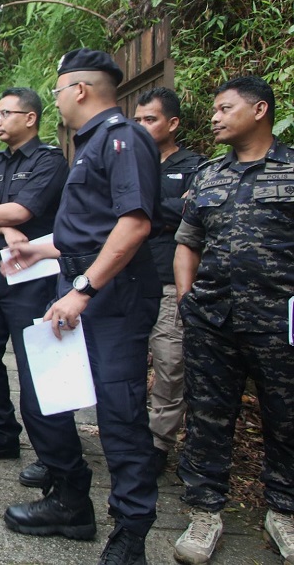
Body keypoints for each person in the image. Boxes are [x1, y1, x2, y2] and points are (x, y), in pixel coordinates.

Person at [0, 49, 162, 564]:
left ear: (80, 90)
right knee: (45, 396)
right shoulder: (89, 144)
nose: (57, 100)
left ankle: (130, 534)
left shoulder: (124, 138)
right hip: (79, 288)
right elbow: (88, 232)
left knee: (119, 417)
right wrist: (38, 248)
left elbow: (133, 225)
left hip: (112, 302)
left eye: (58, 90)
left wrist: (83, 290)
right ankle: (70, 501)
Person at [171, 76, 294, 565]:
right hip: (212, 322)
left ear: (259, 110)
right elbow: (187, 242)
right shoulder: (209, 175)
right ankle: (204, 513)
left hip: (277, 325)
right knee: (207, 418)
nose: (216, 117)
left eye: (225, 108)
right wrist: (187, 300)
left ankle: (283, 511)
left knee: (286, 418)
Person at [0, 87, 68, 491]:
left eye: (6, 113)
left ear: (30, 118)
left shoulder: (49, 162)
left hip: (32, 274)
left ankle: (50, 453)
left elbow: (23, 211)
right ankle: (1, 434)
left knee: (34, 363)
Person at [131, 87, 203, 474]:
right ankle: (130, 433)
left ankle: (159, 442)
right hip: (126, 277)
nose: (142, 126)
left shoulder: (195, 166)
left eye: (151, 119)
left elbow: (193, 214)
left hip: (168, 280)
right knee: (126, 361)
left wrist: (145, 210)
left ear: (172, 123)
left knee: (170, 364)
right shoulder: (126, 161)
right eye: (138, 120)